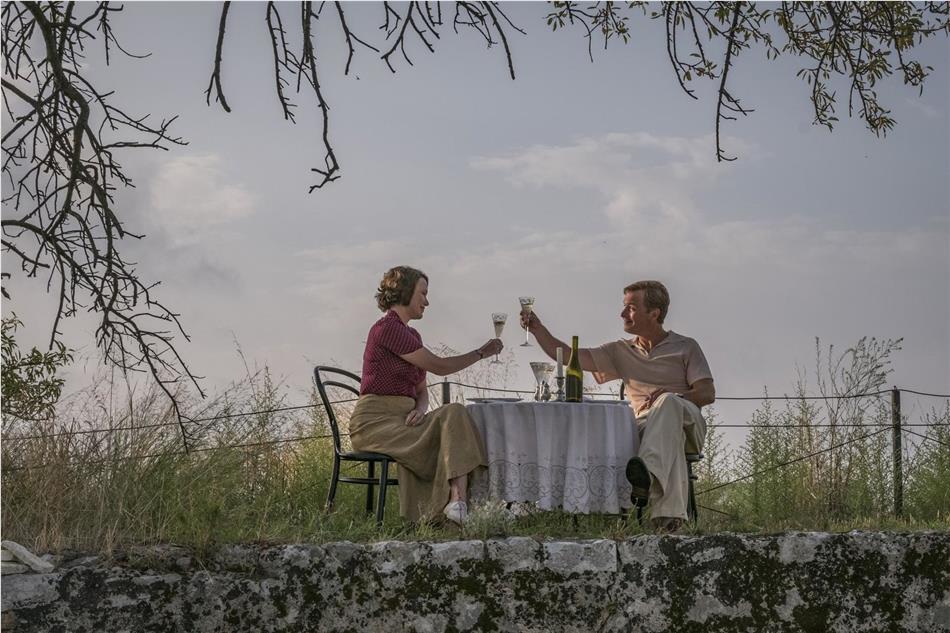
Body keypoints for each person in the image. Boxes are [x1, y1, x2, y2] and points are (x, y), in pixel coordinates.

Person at [522, 280, 714, 533]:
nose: (622, 314)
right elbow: (569, 355)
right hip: (646, 429)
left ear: (654, 313)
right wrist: (538, 330)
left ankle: (648, 475)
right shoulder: (619, 351)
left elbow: (707, 393)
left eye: (631, 308)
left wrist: (674, 396)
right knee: (669, 440)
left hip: (687, 423)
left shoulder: (686, 346)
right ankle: (668, 523)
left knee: (668, 404)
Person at [349, 265, 503, 525]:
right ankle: (450, 509)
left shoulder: (412, 335)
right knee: (447, 426)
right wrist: (481, 353)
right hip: (375, 424)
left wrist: (420, 410)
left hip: (405, 420)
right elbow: (439, 367)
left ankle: (458, 502)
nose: (427, 302)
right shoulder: (387, 328)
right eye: (423, 294)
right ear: (405, 291)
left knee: (454, 411)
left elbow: (422, 390)